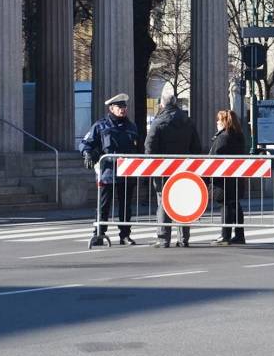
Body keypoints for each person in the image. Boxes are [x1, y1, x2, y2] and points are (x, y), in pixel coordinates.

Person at [81, 93, 140, 246]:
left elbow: (137, 148)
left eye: (124, 107)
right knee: (103, 205)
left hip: (126, 173)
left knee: (125, 206)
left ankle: (125, 235)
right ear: (111, 108)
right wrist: (87, 153)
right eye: (119, 107)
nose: (123, 110)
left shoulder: (131, 127)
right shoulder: (101, 125)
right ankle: (99, 234)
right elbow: (86, 143)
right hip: (107, 173)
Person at [145, 94, 202, 248]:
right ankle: (184, 238)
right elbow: (196, 147)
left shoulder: (158, 122)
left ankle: (163, 239)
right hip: (184, 168)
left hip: (163, 169)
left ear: (162, 105)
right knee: (183, 202)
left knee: (163, 201)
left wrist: (153, 164)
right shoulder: (187, 121)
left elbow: (149, 146)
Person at [209, 110, 247, 245]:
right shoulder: (239, 136)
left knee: (225, 204)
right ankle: (239, 235)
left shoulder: (222, 137)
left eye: (218, 120)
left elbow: (213, 158)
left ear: (224, 122)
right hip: (236, 177)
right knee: (235, 204)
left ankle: (225, 235)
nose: (217, 123)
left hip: (223, 179)